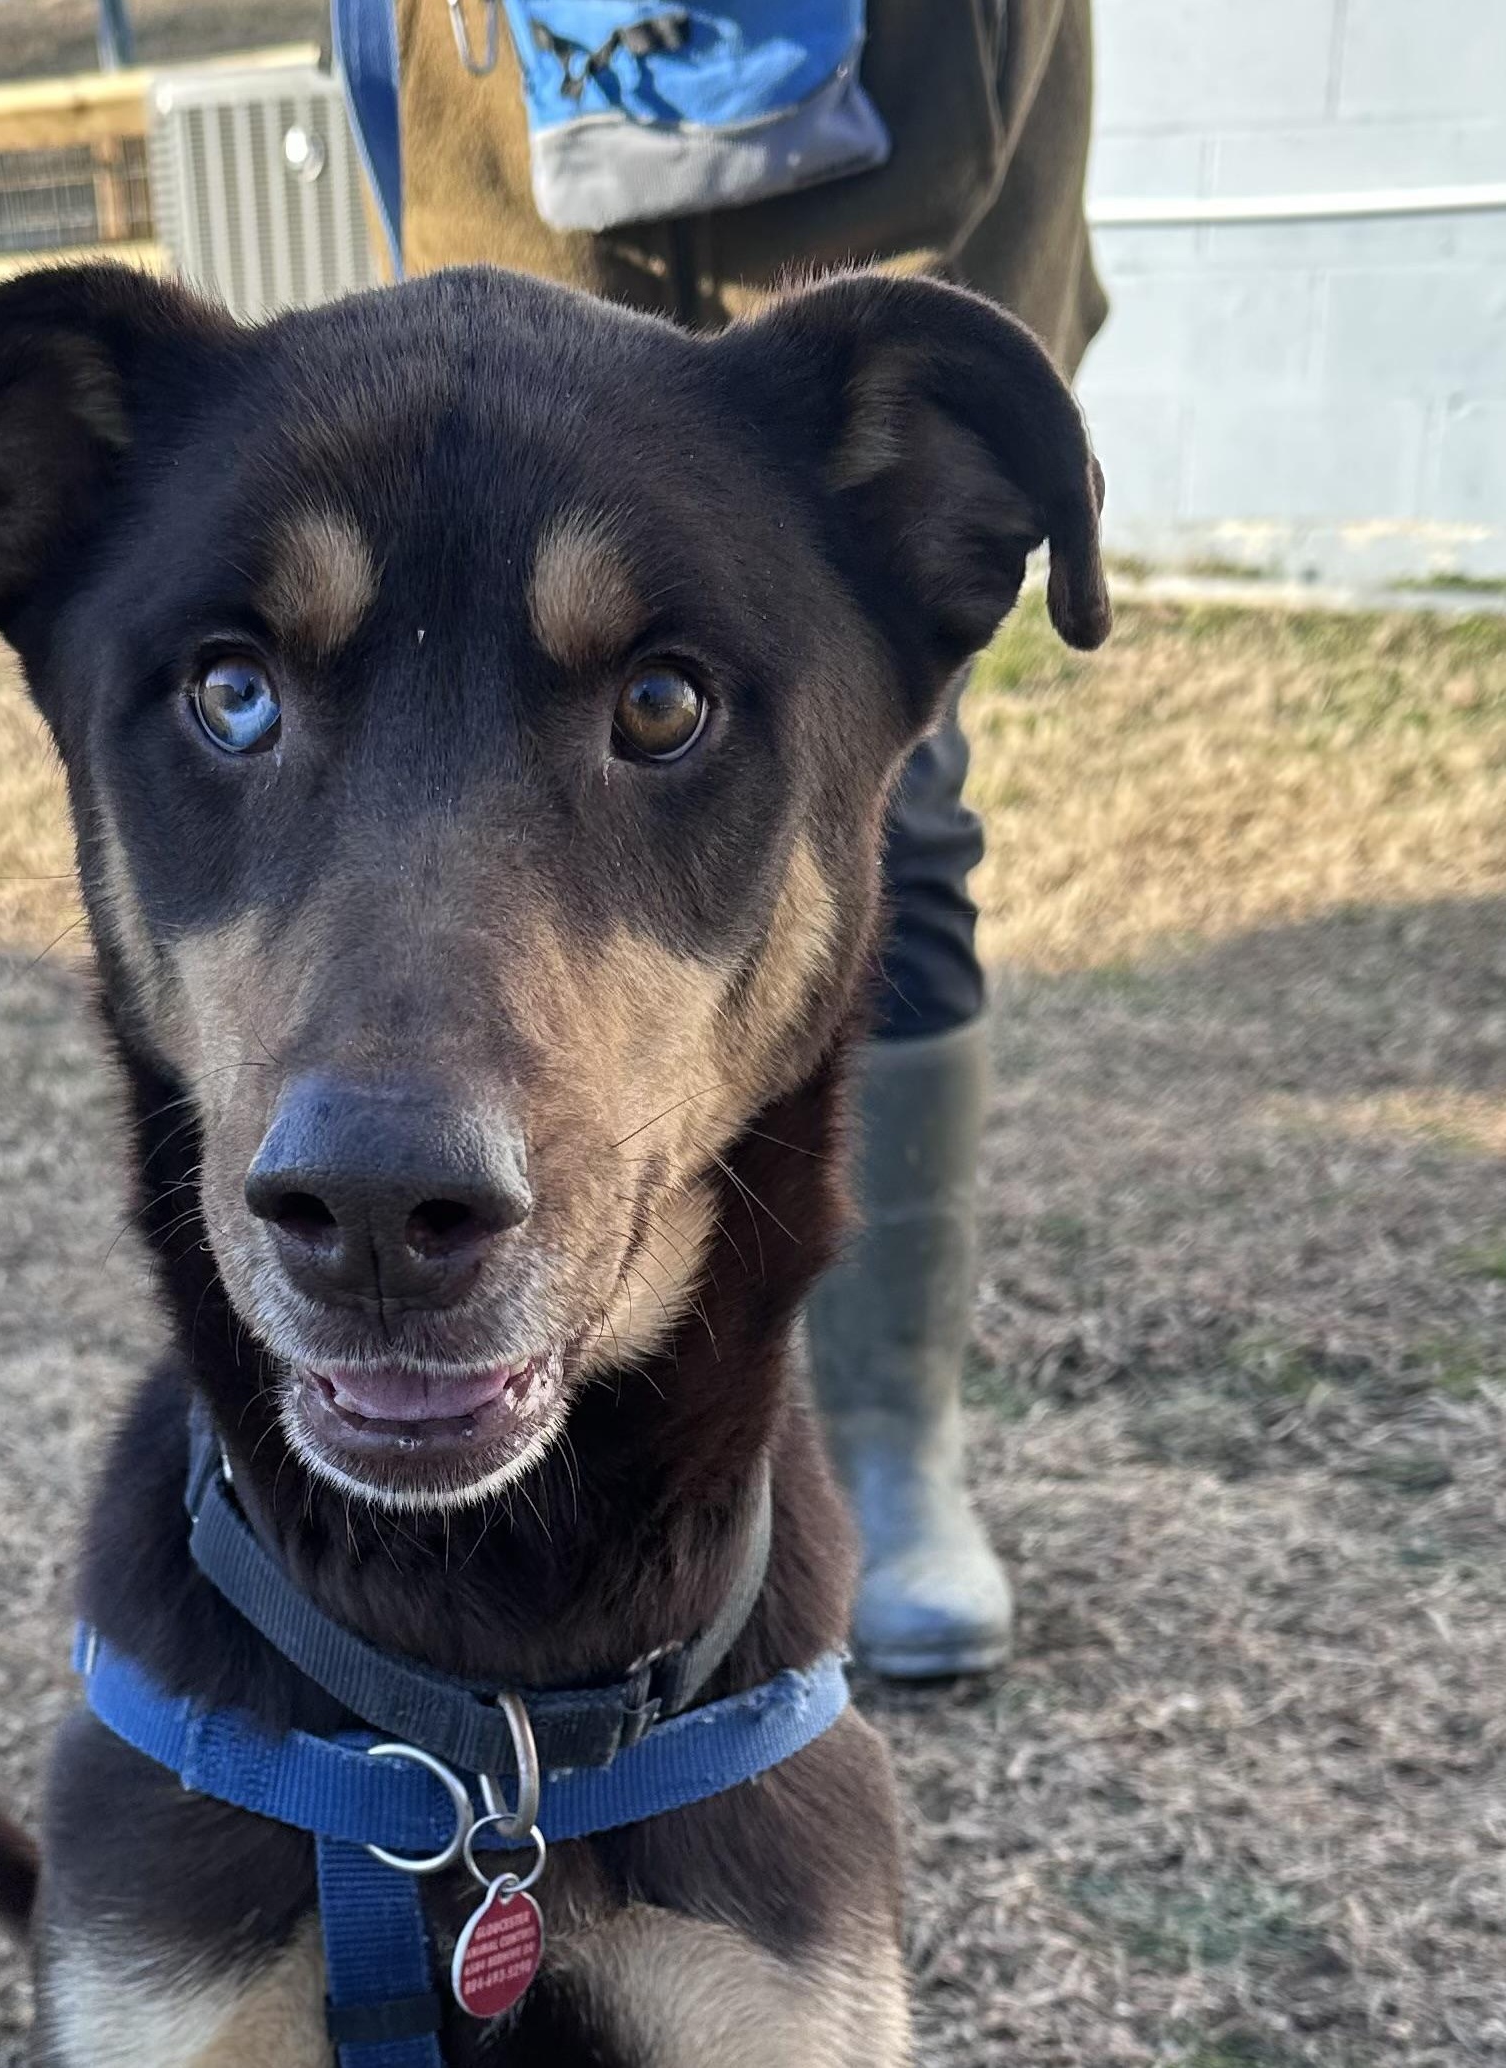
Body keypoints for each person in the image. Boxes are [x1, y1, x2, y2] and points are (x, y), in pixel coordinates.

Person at [356, 0, 1107, 1677]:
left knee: (887, 804)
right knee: (459, 681)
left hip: (908, 101)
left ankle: (885, 1444)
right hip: (518, 96)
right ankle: (545, 1415)